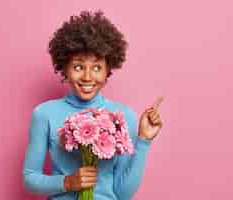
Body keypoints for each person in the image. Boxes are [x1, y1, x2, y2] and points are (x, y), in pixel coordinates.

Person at [22, 10, 163, 200]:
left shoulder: (124, 117)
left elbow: (122, 193)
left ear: (107, 70)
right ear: (64, 68)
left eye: (97, 68)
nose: (87, 77)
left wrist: (144, 140)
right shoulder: (44, 114)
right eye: (78, 67)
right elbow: (30, 178)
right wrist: (68, 182)